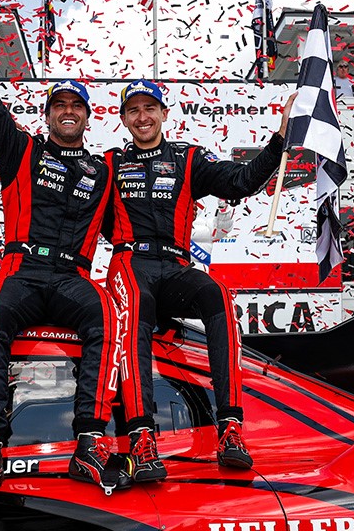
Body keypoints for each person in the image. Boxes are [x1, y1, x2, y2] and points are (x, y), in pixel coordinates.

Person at [0, 0, 130, 499]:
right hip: (22, 272)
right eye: (60, 106)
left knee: (107, 313)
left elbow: (147, 217)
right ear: (48, 114)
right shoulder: (21, 151)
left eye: (77, 106)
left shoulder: (107, 171)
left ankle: (90, 446)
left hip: (74, 277)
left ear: (87, 116)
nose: (69, 112)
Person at [105, 79, 288, 482]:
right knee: (136, 303)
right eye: (133, 110)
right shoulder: (110, 164)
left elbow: (240, 181)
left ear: (164, 114)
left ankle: (230, 428)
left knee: (217, 295)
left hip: (175, 266)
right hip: (130, 264)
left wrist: (279, 141)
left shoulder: (187, 160)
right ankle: (141, 436)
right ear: (123, 120)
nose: (143, 116)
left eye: (150, 108)